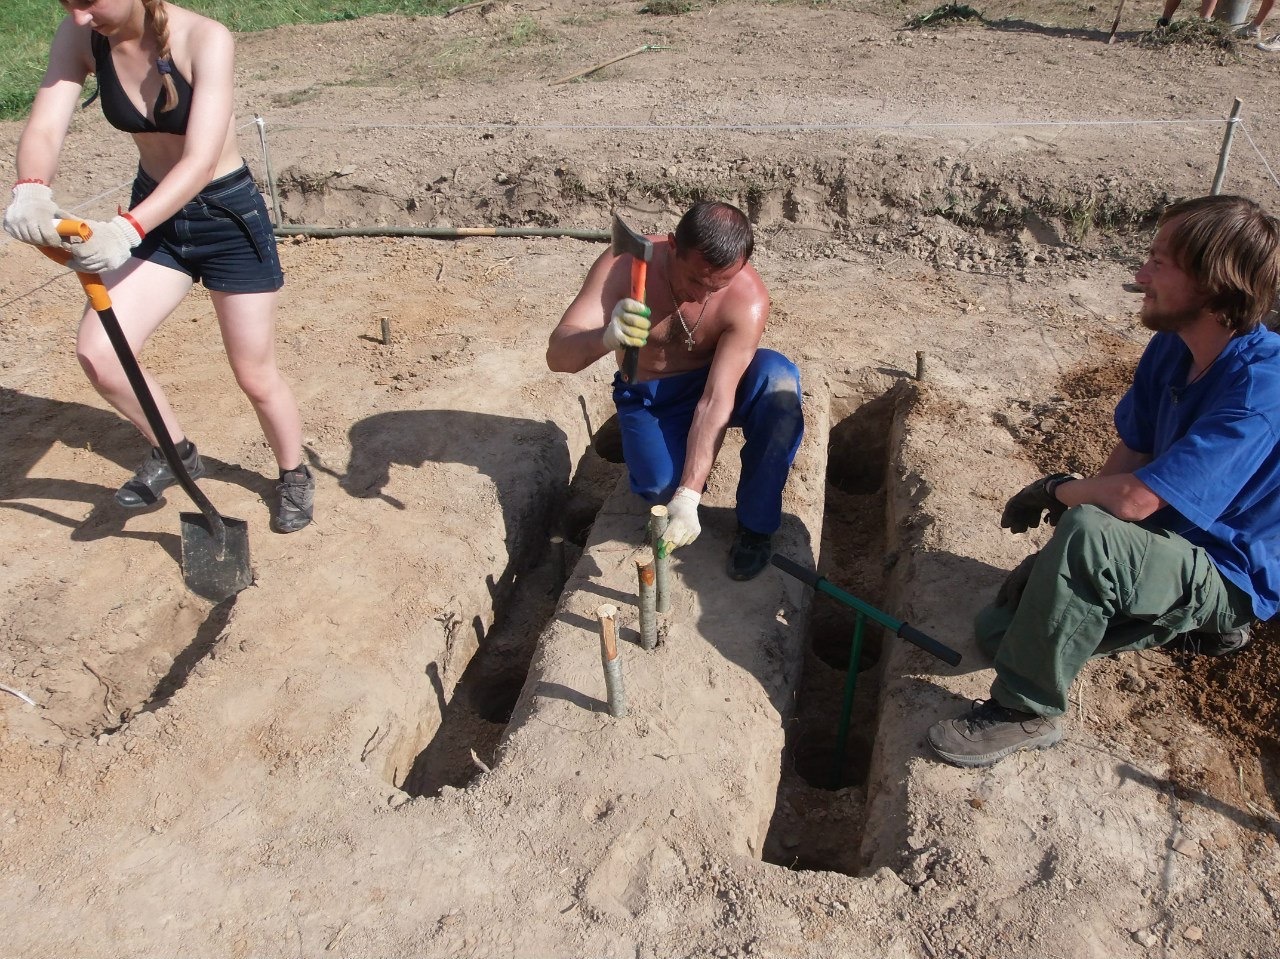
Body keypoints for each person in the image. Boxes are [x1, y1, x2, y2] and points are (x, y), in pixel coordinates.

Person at [928, 194, 1280, 768]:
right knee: (997, 634)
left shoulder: (1262, 391)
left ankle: (1027, 710)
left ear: (1216, 287)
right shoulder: (1173, 346)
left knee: (1092, 533)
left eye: (1160, 264)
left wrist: (1056, 492)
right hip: (1170, 536)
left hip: (1227, 567)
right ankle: (1168, 624)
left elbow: (1136, 499)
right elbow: (1133, 451)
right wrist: (1055, 554)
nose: (1140, 275)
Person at [3, 0, 314, 533]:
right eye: (67, 2)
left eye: (88, 1)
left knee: (254, 374)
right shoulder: (82, 36)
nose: (78, 15)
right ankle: (174, 450)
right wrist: (31, 189)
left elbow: (198, 160)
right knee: (100, 355)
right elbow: (47, 125)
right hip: (155, 217)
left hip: (225, 219)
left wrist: (125, 231)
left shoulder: (206, 38)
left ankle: (294, 473)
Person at [547, 202, 803, 581]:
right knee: (658, 488)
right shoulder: (624, 266)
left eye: (719, 284)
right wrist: (605, 337)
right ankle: (659, 450)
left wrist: (690, 495)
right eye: (696, 280)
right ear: (671, 246)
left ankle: (756, 527)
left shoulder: (747, 299)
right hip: (651, 394)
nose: (703, 296)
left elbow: (717, 397)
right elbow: (558, 357)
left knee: (778, 384)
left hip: (719, 380)